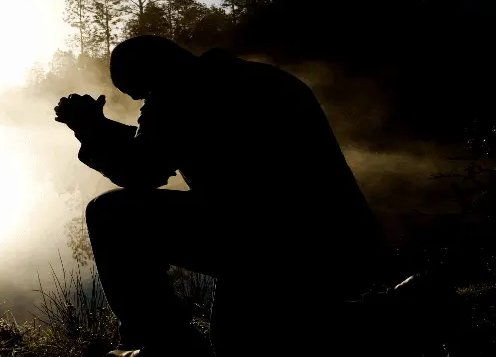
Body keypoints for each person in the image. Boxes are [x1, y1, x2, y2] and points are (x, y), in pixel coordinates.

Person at [54, 35, 384, 357]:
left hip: (268, 241)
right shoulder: (256, 77)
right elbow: (161, 144)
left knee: (110, 214)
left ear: (155, 74)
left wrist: (90, 130)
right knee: (237, 339)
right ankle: (352, 314)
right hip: (340, 239)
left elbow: (143, 171)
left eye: (144, 95)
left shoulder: (180, 93)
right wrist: (101, 128)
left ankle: (163, 344)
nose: (145, 105)